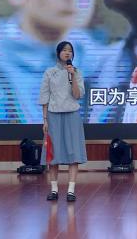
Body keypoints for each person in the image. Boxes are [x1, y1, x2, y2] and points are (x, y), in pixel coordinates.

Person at [40, 41, 87, 202]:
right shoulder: (50, 72)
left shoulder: (77, 72)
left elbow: (78, 95)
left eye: (70, 51)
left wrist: (72, 75)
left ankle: (71, 190)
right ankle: (54, 189)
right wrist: (44, 119)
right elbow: (44, 97)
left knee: (73, 153)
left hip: (72, 115)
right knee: (53, 154)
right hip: (53, 115)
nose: (68, 53)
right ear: (58, 53)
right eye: (65, 50)